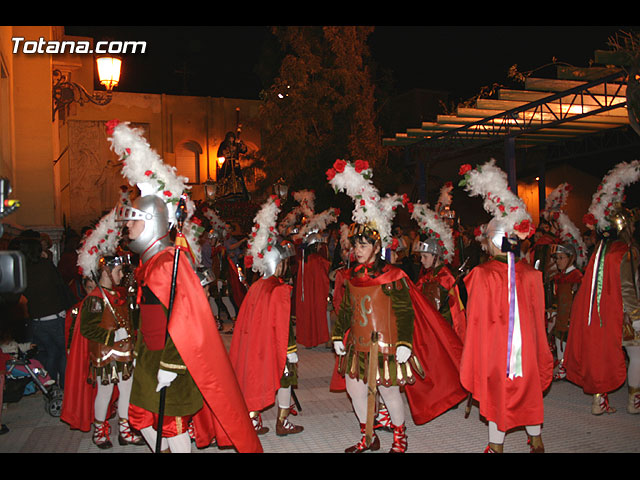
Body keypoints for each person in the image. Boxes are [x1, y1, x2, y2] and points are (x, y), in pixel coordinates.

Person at [107, 118, 261, 453]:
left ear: (150, 224)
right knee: (140, 417)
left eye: (133, 222)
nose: (128, 228)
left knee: (172, 426)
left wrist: (170, 366)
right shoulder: (152, 262)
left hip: (168, 359)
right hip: (150, 355)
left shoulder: (166, 265)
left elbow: (185, 320)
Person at [328, 159, 466, 453]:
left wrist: (404, 342)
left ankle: (400, 437)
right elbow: (347, 309)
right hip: (359, 346)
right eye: (356, 246)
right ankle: (370, 434)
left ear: (377, 248)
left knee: (389, 392)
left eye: (364, 246)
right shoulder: (352, 275)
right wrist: (339, 335)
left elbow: (405, 310)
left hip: (386, 345)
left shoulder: (393, 276)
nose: (358, 250)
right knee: (355, 390)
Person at [458, 160, 553, 453]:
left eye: (488, 242)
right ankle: (535, 439)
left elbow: (470, 314)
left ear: (496, 243)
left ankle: (496, 446)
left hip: (497, 351)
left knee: (499, 393)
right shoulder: (532, 274)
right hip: (528, 351)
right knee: (527, 388)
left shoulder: (482, 274)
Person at [565, 160, 640, 416]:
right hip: (625, 314)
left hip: (601, 314)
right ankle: (634, 400)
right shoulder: (625, 251)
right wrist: (637, 317)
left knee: (602, 354)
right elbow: (629, 287)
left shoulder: (600, 251)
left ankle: (599, 399)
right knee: (636, 354)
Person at [229, 196, 303, 437]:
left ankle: (253, 419)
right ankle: (283, 421)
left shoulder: (258, 286)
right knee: (285, 377)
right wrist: (290, 350)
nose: (286, 267)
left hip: (255, 345)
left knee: (253, 376)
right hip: (272, 346)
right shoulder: (278, 289)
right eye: (284, 263)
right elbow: (282, 326)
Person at [61, 251, 143, 448]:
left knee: (127, 391)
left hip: (124, 353)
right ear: (106, 271)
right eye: (118, 271)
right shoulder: (96, 299)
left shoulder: (116, 295)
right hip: (106, 355)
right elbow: (88, 329)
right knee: (104, 393)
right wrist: (112, 336)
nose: (122, 275)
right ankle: (99, 432)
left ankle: (124, 430)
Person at [17, 234, 74, 390]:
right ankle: (64, 385)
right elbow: (60, 286)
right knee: (63, 352)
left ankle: (49, 384)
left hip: (36, 320)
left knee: (50, 352)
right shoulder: (45, 266)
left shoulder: (22, 270)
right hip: (55, 317)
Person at [411, 202, 466, 342]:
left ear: (435, 257)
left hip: (442, 332)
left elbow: (453, 312)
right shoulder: (428, 276)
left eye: (425, 257)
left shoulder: (446, 278)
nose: (422, 261)